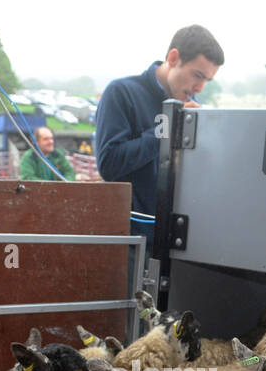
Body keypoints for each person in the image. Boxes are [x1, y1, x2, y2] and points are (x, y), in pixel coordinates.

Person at [94, 25, 223, 247]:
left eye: (206, 80)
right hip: (130, 240)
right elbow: (109, 164)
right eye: (197, 75)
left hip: (177, 240)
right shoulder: (121, 92)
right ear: (173, 58)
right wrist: (168, 128)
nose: (200, 88)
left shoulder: (190, 109)